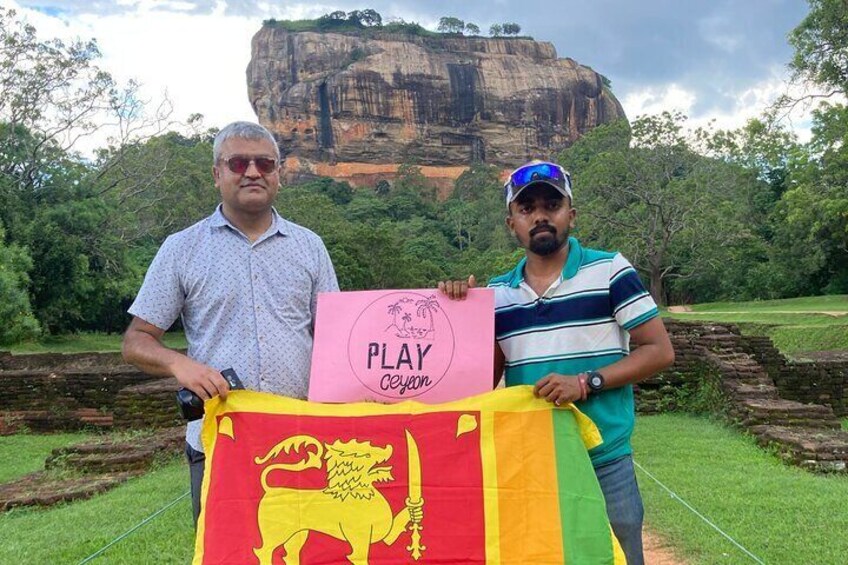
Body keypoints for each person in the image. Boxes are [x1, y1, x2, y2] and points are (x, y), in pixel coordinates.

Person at [439, 160, 674, 565]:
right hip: (532, 459)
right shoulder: (497, 295)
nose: (541, 215)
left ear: (571, 214)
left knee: (619, 555)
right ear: (511, 222)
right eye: (527, 208)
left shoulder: (610, 271)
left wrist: (585, 382)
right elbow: (479, 379)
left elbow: (658, 350)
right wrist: (458, 310)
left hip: (604, 458)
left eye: (553, 203)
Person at [121, 121, 339, 524]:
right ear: (216, 173)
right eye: (238, 163)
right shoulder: (182, 248)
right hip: (219, 440)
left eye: (264, 163)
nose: (252, 172)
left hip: (303, 441)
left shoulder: (310, 247)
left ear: (279, 174)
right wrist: (179, 364)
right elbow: (136, 339)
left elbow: (337, 339)